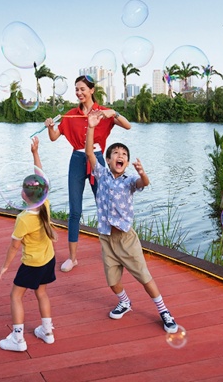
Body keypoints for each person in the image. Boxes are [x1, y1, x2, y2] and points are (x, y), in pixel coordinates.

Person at [84, 110, 178, 333]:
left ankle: (164, 311)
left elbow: (143, 183)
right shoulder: (102, 174)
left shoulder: (130, 180)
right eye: (115, 153)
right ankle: (125, 301)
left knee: (144, 277)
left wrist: (143, 173)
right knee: (112, 280)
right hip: (106, 236)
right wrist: (90, 127)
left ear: (126, 162)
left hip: (126, 237)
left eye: (123, 154)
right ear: (108, 160)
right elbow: (89, 153)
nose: (120, 155)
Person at [44, 74, 131, 272]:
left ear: (92, 90)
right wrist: (50, 126)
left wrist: (113, 113)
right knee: (75, 211)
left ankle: (116, 252)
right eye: (76, 89)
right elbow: (54, 137)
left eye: (82, 89)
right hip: (76, 160)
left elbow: (127, 125)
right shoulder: (70, 114)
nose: (79, 92)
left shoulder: (103, 112)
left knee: (106, 206)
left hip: (98, 160)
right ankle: (72, 258)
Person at [0, 137, 58, 352]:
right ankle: (47, 332)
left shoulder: (24, 218)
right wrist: (35, 153)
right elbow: (42, 179)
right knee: (41, 293)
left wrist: (5, 265)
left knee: (16, 295)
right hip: (48, 260)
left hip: (32, 264)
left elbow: (14, 246)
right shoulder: (46, 204)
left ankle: (18, 339)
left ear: (23, 195)